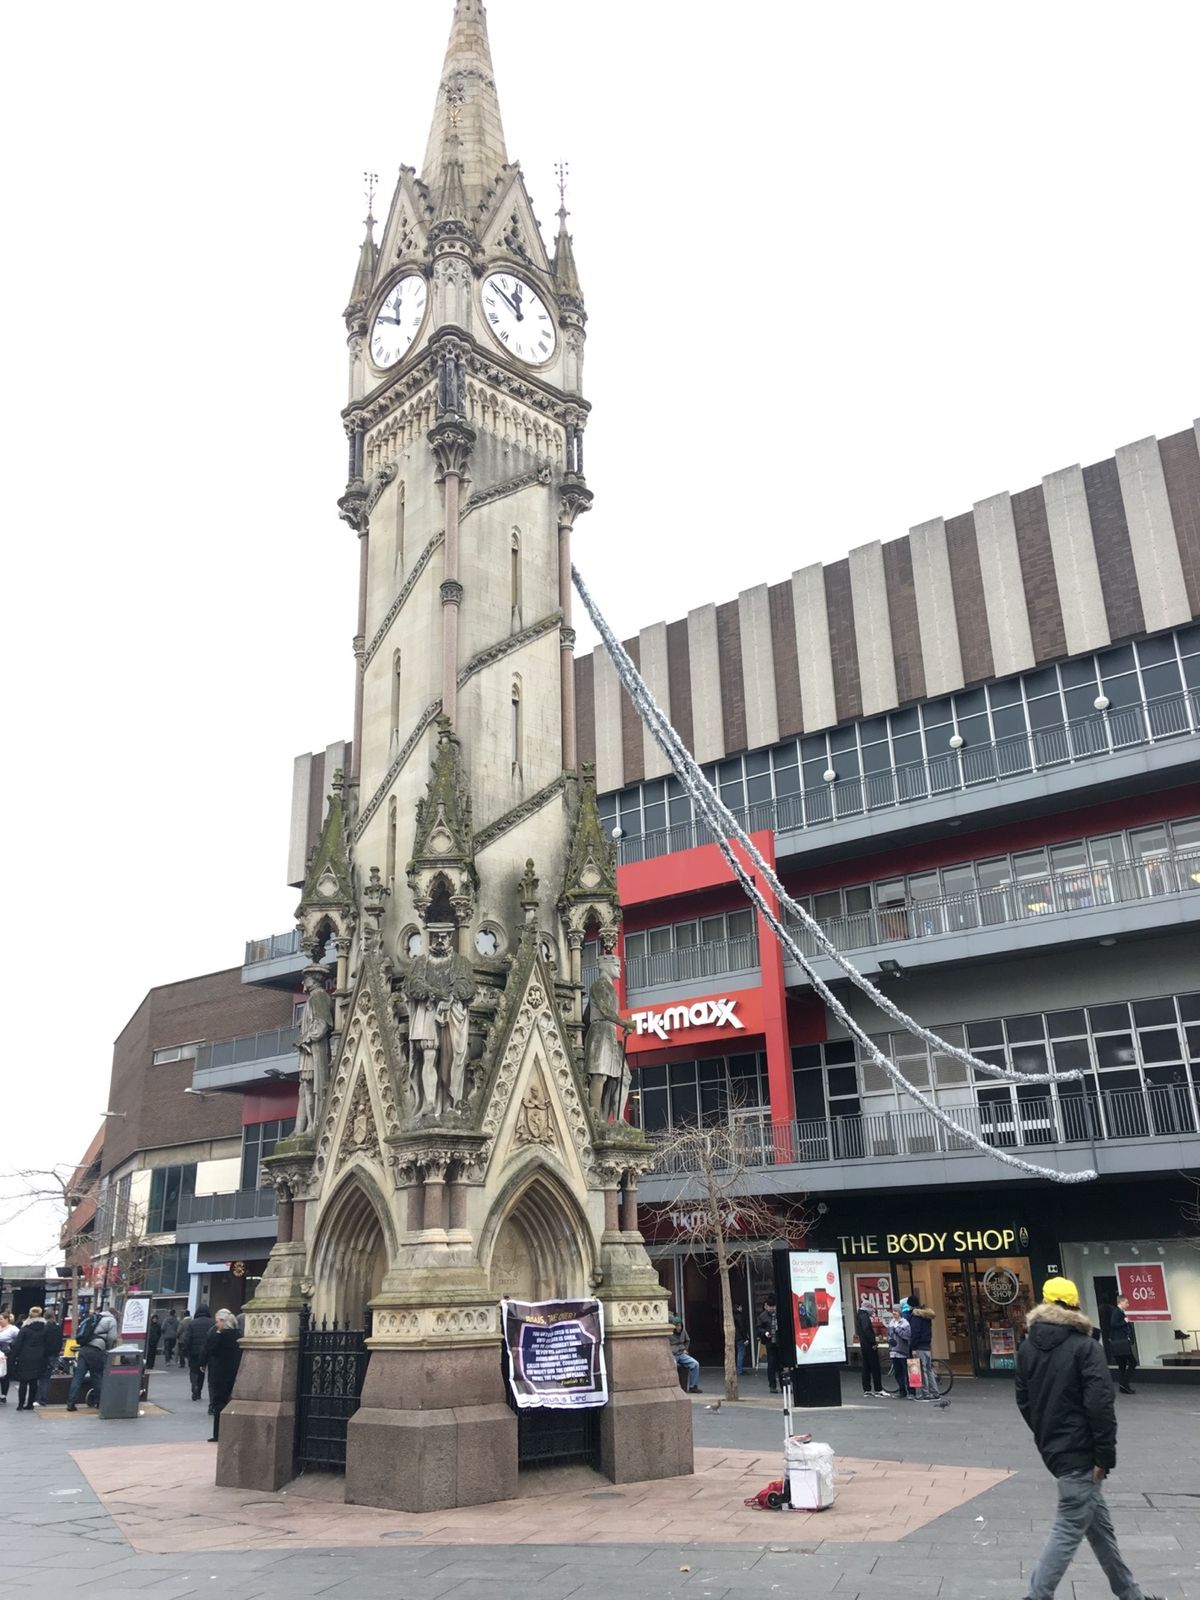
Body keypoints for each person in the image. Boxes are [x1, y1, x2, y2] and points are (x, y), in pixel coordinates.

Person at [1015, 1277, 1162, 1600]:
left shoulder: (1027, 1347)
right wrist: (1104, 1456)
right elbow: (1100, 1404)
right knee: (1069, 1526)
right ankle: (1036, 1596)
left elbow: (1024, 1400)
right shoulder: (1085, 1346)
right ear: (1075, 1305)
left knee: (1100, 1530)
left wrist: (1046, 1435)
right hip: (1082, 1454)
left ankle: (1130, 1594)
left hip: (1056, 1449)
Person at [66, 1304, 118, 1411]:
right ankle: (99, 1402)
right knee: (97, 1376)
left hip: (84, 1350)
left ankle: (71, 1403)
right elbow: (112, 1337)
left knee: (78, 1377)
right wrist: (107, 1348)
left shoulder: (95, 1318)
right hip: (96, 1350)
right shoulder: (111, 1320)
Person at [203, 1309, 242, 1443]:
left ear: (224, 1322)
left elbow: (210, 1348)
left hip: (220, 1374)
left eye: (218, 1321)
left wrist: (218, 1334)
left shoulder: (221, 1335)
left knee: (218, 1403)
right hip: (234, 1372)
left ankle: (218, 1433)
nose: (216, 1325)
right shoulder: (238, 1335)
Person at [10, 1307, 54, 1410]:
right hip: (39, 1357)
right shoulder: (45, 1328)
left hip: (25, 1357)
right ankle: (30, 1403)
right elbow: (48, 1344)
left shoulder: (25, 1329)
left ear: (29, 1316)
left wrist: (13, 1356)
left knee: (23, 1382)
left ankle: (20, 1404)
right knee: (34, 1381)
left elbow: (17, 1344)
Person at [904, 1295, 938, 1400]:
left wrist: (913, 1347)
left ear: (910, 1305)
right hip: (927, 1345)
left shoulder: (915, 1317)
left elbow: (915, 1333)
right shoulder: (926, 1315)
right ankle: (935, 1392)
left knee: (921, 1370)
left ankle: (925, 1393)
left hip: (919, 1347)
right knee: (928, 1370)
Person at [1107, 1296, 1138, 1395]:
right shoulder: (1117, 1312)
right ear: (1121, 1302)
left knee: (1122, 1365)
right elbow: (1113, 1324)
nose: (1128, 1305)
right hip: (1121, 1343)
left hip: (1118, 1343)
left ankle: (1123, 1386)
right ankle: (1124, 1384)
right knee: (1132, 1362)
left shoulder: (1118, 1312)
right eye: (1126, 1302)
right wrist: (1124, 1322)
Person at [184, 1303, 215, 1401]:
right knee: (202, 1372)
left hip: (194, 1352)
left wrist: (185, 1351)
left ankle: (195, 1387)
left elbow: (187, 1339)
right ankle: (200, 1389)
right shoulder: (212, 1323)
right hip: (208, 1352)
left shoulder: (192, 1323)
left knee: (194, 1371)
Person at [856, 1296, 884, 1396]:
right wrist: (873, 1342)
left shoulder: (859, 1315)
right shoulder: (864, 1316)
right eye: (872, 1309)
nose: (873, 1312)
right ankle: (878, 1389)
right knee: (875, 1366)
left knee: (866, 1367)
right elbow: (867, 1329)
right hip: (869, 1345)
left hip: (864, 1345)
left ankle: (867, 1389)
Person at [669, 1314, 702, 1393]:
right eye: (677, 1326)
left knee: (695, 1364)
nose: (679, 1328)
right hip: (672, 1354)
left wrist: (685, 1349)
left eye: (680, 1326)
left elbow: (687, 1340)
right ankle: (674, 1386)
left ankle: (693, 1386)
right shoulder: (668, 1334)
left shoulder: (683, 1331)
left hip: (681, 1353)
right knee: (673, 1365)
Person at [37, 1310, 64, 1405]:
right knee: (47, 1378)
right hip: (54, 1355)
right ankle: (44, 1398)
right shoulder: (58, 1328)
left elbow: (42, 1342)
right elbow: (60, 1343)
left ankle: (41, 1399)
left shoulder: (45, 1328)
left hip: (45, 1355)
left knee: (42, 1378)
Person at [887, 1305, 913, 1399]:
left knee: (906, 1372)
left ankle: (911, 1391)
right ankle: (902, 1391)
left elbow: (907, 1336)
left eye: (896, 1311)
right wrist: (889, 1340)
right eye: (893, 1311)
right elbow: (889, 1335)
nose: (894, 1313)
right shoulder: (891, 1323)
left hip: (902, 1351)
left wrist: (898, 1330)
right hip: (893, 1351)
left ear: (900, 1312)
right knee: (898, 1373)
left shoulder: (905, 1323)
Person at [757, 1296, 780, 1394]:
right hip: (770, 1343)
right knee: (771, 1365)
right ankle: (772, 1385)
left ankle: (784, 1386)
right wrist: (765, 1333)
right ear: (766, 1307)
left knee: (781, 1365)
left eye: (774, 1307)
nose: (772, 1309)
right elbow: (758, 1329)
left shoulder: (779, 1314)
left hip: (780, 1343)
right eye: (770, 1307)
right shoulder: (762, 1316)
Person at [0, 1310, 18, 1403]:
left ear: (7, 1319)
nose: (0, 1321)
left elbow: (18, 1341)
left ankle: (3, 1395)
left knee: (4, 1375)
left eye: (1, 1319)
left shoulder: (13, 1329)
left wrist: (10, 1347)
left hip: (7, 1354)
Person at [732, 1303, 749, 1378]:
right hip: (740, 1337)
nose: (742, 1308)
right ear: (738, 1308)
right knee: (741, 1353)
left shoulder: (733, 1316)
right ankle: (739, 1370)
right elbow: (741, 1327)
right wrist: (745, 1338)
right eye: (740, 1307)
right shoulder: (739, 1316)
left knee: (740, 1352)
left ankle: (739, 1368)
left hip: (735, 1336)